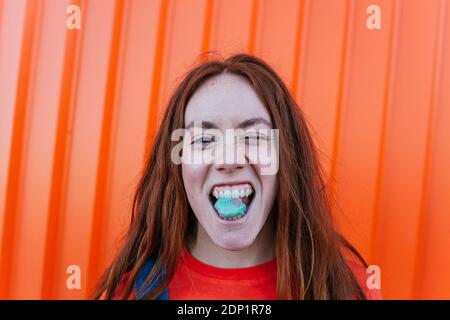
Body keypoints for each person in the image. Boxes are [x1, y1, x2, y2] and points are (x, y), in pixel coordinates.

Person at [95, 53, 382, 300]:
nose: (229, 160)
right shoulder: (130, 292)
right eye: (204, 140)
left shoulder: (348, 289)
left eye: (254, 136)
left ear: (287, 156)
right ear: (177, 166)